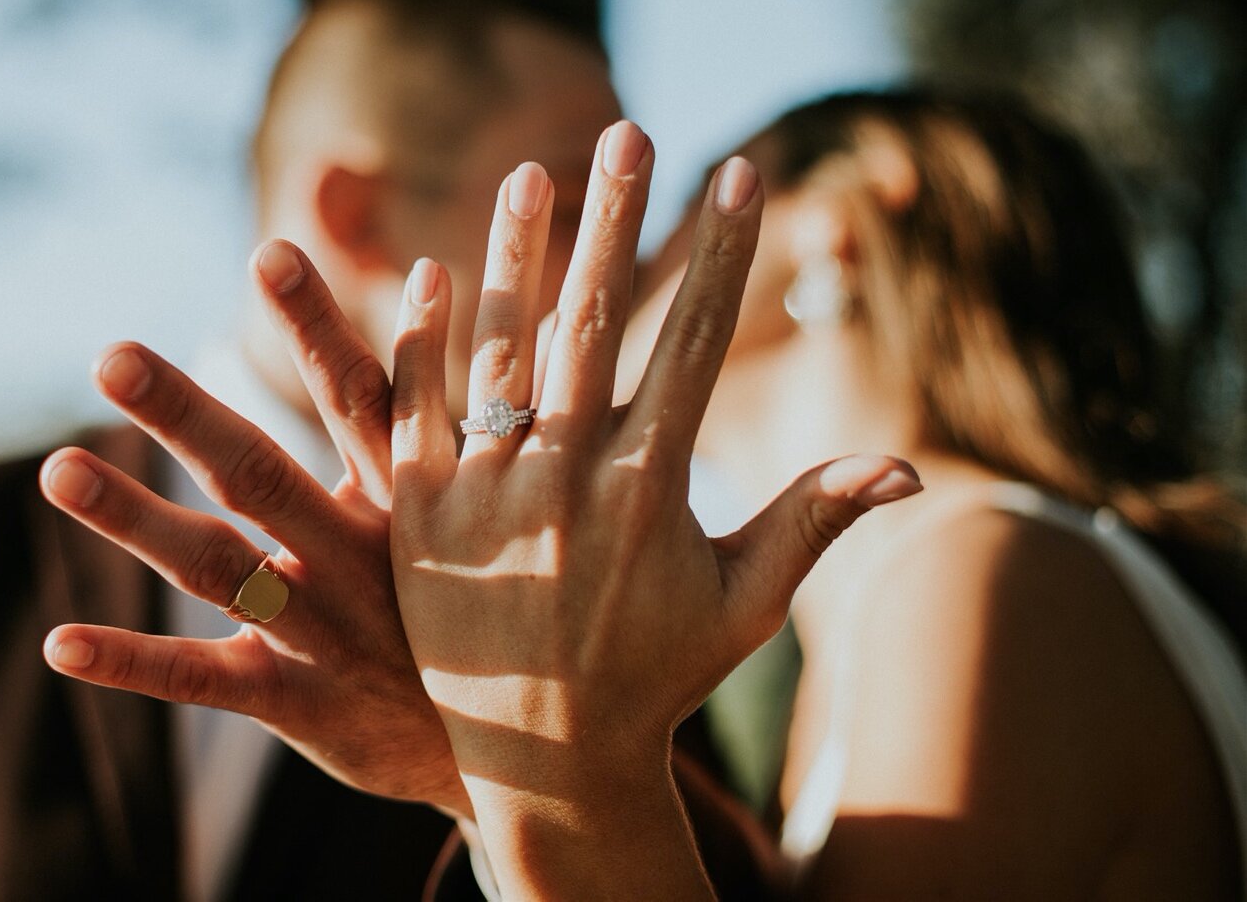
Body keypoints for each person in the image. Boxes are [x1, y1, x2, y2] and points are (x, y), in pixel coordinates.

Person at [66, 93, 1245, 900]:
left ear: (837, 222)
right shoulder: (930, 582)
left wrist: (549, 757)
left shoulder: (976, 564)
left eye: (677, 208)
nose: (634, 263)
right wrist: (484, 754)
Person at [0, 0, 621, 901]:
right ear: (353, 215)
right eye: (570, 210)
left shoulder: (597, 610)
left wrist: (499, 780)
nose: (619, 271)